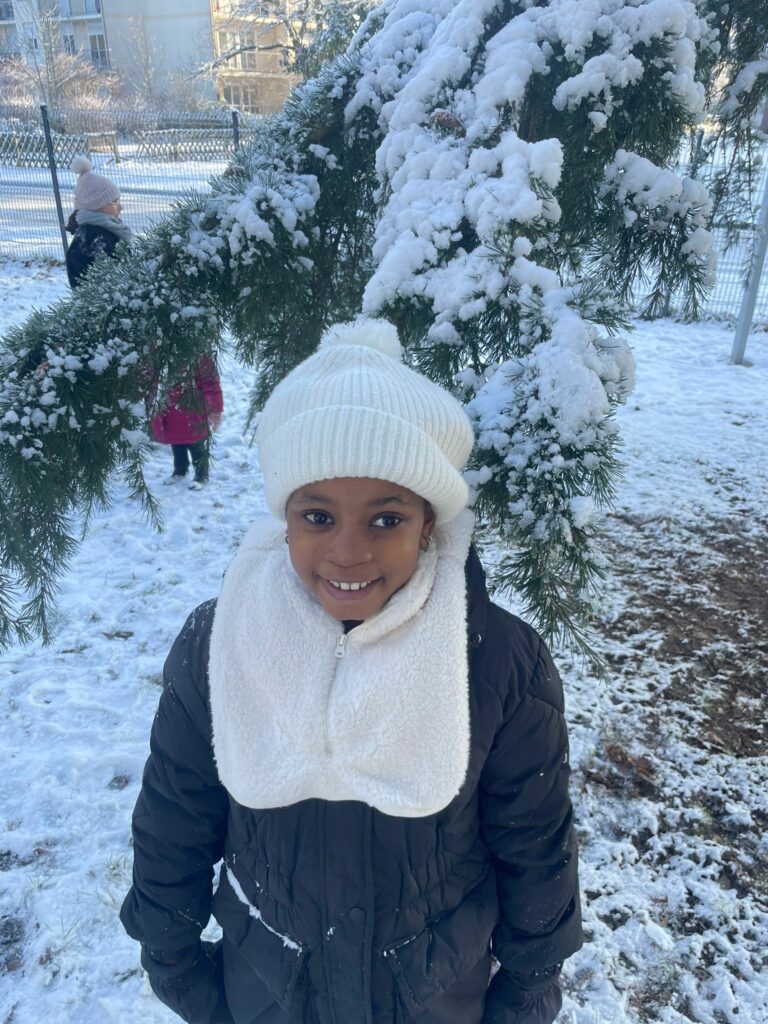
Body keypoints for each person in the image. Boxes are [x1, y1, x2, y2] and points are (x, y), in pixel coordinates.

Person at [120, 318, 582, 1024]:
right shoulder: (220, 641)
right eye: (318, 515)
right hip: (267, 985)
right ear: (285, 517)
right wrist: (173, 961)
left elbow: (535, 842)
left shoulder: (497, 660)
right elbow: (175, 812)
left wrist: (527, 988)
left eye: (386, 520)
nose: (347, 551)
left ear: (429, 522)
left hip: (435, 996)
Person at [149, 354, 224, 488]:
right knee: (177, 444)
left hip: (193, 412)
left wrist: (215, 409)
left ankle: (201, 475)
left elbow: (211, 384)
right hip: (170, 412)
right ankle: (180, 470)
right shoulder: (164, 353)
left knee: (196, 446)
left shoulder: (198, 354)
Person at [65, 156, 132, 288]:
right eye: (114, 202)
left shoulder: (100, 232)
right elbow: (114, 287)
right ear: (95, 205)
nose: (120, 207)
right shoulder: (94, 240)